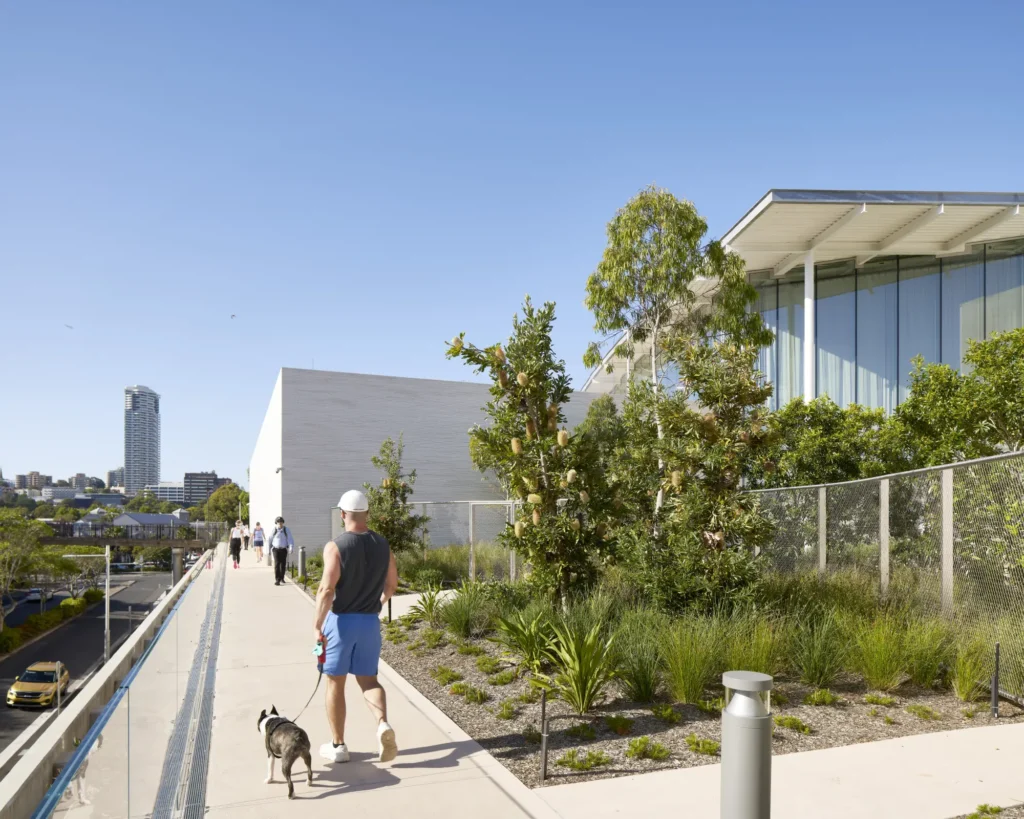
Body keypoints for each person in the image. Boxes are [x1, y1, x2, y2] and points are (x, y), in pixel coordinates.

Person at [313, 489, 398, 765]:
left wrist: (317, 626)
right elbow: (391, 585)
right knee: (369, 680)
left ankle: (338, 745)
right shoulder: (384, 545)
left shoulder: (335, 546)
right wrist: (377, 602)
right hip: (369, 623)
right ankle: (382, 724)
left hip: (341, 622)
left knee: (335, 682)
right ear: (367, 514)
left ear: (342, 515)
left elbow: (327, 589)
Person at [269, 516, 294, 586]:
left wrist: (291, 547)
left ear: (283, 523)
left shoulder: (286, 530)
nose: (280, 524)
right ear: (276, 523)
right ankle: (277, 580)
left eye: (281, 522)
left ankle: (282, 577)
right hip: (275, 549)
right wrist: (268, 549)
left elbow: (290, 539)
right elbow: (270, 539)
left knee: (283, 564)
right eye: (278, 523)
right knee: (277, 564)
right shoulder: (274, 530)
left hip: (283, 549)